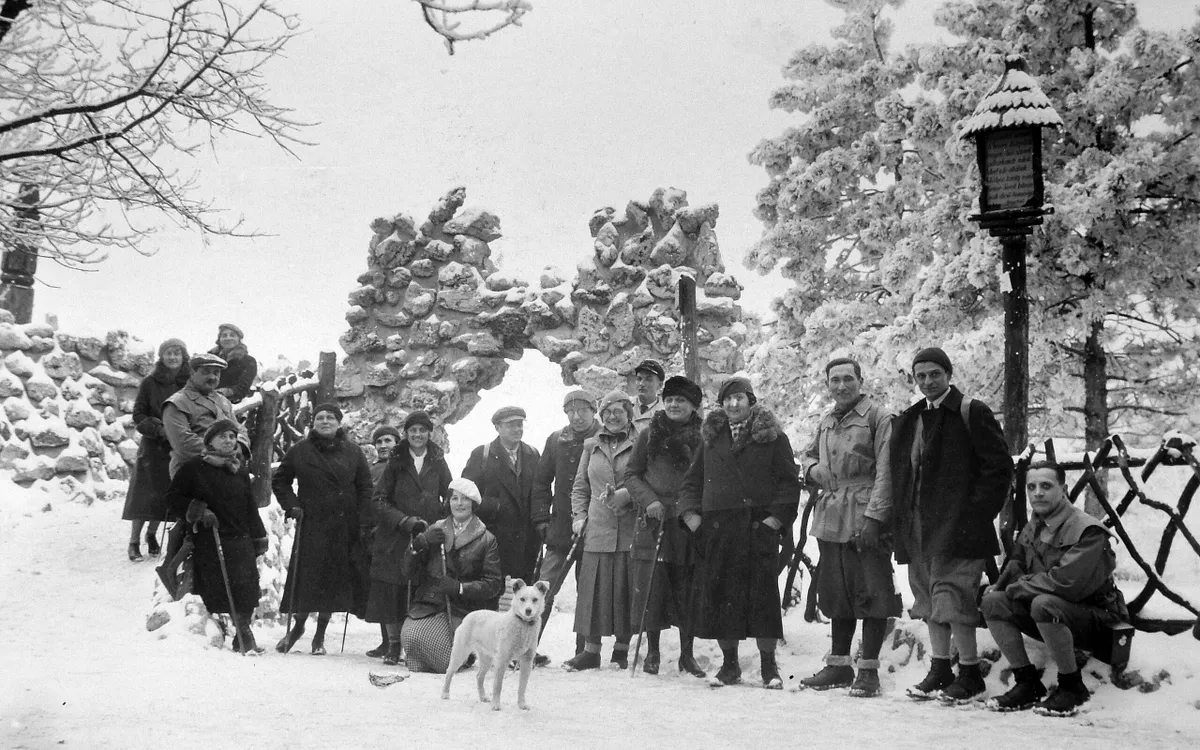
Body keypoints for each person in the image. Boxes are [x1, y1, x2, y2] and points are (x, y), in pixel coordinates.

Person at [889, 347, 1013, 703]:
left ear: (948, 374)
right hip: (919, 526)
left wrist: (973, 514)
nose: (928, 382)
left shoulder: (971, 411)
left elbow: (999, 468)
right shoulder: (912, 418)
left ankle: (970, 673)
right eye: (921, 376)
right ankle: (940, 669)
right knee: (928, 598)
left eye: (935, 375)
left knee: (954, 597)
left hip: (959, 527)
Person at [679, 376, 801, 688]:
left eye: (740, 398)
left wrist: (774, 521)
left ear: (751, 401)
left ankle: (768, 668)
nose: (734, 405)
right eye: (728, 399)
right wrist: (692, 517)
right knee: (722, 598)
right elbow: (693, 481)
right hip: (718, 531)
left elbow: (789, 482)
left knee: (762, 600)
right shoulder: (711, 438)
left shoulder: (772, 438)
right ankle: (729, 666)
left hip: (757, 529)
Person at [981, 461, 1129, 716]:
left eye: (1046, 486)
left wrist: (1017, 588)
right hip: (1059, 613)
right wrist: (1001, 587)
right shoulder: (1035, 525)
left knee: (1043, 604)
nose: (1037, 492)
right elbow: (1017, 562)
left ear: (1064, 488)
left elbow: (1065, 584)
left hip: (1100, 619)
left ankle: (1073, 688)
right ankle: (1027, 683)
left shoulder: (1087, 529)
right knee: (993, 602)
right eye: (1032, 487)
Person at [798, 358, 900, 697]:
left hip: (864, 509)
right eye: (834, 380)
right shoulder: (827, 419)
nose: (841, 386)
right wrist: (812, 470)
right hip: (831, 512)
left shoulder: (877, 417)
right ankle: (839, 665)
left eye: (847, 379)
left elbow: (887, 472)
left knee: (871, 591)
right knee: (837, 590)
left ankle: (868, 670)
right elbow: (809, 455)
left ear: (860, 380)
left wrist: (875, 519)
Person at [272, 403, 373, 655]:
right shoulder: (300, 451)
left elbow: (365, 487)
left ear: (339, 423)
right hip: (312, 523)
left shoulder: (353, 452)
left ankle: (320, 637)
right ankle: (298, 627)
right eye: (319, 418)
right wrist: (292, 505)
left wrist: (362, 517)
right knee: (308, 578)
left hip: (343, 524)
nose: (325, 421)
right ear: (313, 423)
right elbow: (280, 480)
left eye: (330, 417)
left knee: (333, 579)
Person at [624, 375, 706, 677]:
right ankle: (654, 652)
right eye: (670, 399)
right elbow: (631, 475)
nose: (674, 404)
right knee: (653, 588)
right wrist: (649, 501)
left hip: (687, 522)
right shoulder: (649, 434)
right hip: (654, 521)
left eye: (681, 400)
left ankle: (687, 654)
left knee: (688, 587)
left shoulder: (703, 436)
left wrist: (694, 510)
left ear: (692, 406)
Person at [165, 419, 268, 653]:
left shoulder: (238, 468)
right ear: (209, 440)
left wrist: (258, 536)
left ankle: (243, 630)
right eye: (223, 436)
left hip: (240, 537)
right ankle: (237, 633)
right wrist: (199, 510)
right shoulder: (194, 468)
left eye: (232, 436)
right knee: (218, 587)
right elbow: (172, 498)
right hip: (211, 538)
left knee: (248, 587)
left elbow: (250, 506)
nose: (229, 440)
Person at [158, 353, 249, 596]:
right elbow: (183, 443)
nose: (212, 377)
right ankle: (175, 567)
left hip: (225, 467)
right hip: (193, 471)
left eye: (217, 373)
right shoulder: (177, 403)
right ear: (192, 373)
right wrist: (220, 451)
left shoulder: (222, 401)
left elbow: (239, 431)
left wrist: (234, 449)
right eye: (206, 371)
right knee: (195, 525)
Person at [366, 410, 453, 666]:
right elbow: (378, 500)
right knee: (393, 589)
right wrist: (403, 521)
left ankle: (414, 644)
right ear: (406, 434)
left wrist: (439, 517)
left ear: (429, 433)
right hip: (395, 536)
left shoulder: (437, 459)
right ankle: (393, 646)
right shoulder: (395, 460)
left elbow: (449, 493)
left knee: (420, 589)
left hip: (425, 535)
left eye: (422, 430)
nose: (417, 435)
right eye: (413, 430)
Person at [563, 389, 639, 672]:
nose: (612, 416)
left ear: (628, 414)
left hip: (629, 526)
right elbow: (580, 487)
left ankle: (621, 650)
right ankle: (590, 651)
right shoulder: (591, 446)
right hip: (596, 527)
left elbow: (645, 480)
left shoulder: (640, 442)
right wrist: (579, 517)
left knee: (623, 588)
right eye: (606, 412)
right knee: (593, 590)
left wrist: (627, 496)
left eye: (618, 411)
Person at [399, 477, 503, 673]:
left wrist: (461, 588)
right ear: (448, 502)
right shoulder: (436, 528)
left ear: (474, 504)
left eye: (465, 499)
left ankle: (464, 656)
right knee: (412, 637)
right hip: (430, 604)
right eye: (454, 498)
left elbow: (494, 584)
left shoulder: (486, 539)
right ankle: (441, 657)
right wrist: (419, 544)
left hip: (461, 609)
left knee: (444, 661)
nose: (459, 504)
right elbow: (408, 571)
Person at [531, 389, 601, 657]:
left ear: (593, 411)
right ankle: (528, 646)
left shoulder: (603, 437)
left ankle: (584, 651)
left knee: (589, 591)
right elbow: (541, 481)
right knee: (543, 589)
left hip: (595, 528)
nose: (576, 416)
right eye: (571, 411)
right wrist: (541, 519)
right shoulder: (556, 440)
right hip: (560, 531)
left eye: (582, 410)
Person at [122, 338, 190, 562]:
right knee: (144, 495)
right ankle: (134, 541)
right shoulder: (150, 382)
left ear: (183, 357)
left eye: (177, 354)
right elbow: (138, 414)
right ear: (162, 357)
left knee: (166, 495)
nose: (173, 358)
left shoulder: (188, 382)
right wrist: (160, 429)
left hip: (176, 446)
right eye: (168, 353)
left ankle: (151, 535)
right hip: (154, 446)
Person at [462, 406, 542, 592]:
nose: (517, 429)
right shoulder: (481, 454)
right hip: (494, 538)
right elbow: (466, 494)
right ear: (497, 427)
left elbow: (541, 491)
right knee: (493, 593)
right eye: (510, 425)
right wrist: (496, 507)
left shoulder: (532, 454)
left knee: (523, 596)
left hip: (527, 540)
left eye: (520, 424)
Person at [364, 424, 401, 658]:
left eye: (388, 441)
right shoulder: (371, 469)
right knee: (380, 588)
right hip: (375, 534)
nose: (383, 446)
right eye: (379, 442)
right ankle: (385, 640)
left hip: (397, 531)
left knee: (395, 587)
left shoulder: (402, 467)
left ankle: (398, 641)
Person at [209, 323, 257, 404]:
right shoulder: (210, 358)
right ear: (219, 340)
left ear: (239, 339)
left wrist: (223, 392)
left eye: (232, 335)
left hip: (231, 404)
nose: (228, 338)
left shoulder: (248, 361)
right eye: (224, 335)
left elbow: (242, 388)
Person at [631, 358, 665, 433]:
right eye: (639, 379)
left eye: (648, 379)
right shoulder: (624, 404)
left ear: (660, 385)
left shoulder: (666, 414)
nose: (641, 384)